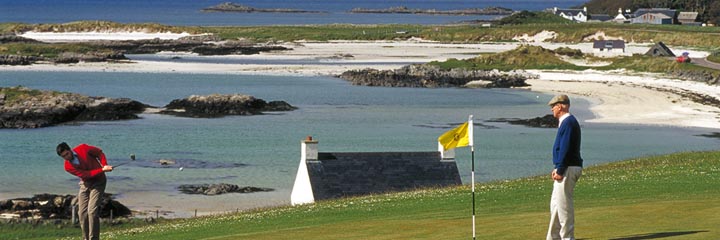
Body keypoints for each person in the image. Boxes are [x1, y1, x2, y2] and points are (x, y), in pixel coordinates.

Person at [57, 142, 113, 240]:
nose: (66, 157)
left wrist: (104, 165)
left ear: (70, 149)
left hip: (99, 182)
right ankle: (85, 238)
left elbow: (99, 153)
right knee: (82, 213)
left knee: (92, 211)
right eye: (63, 156)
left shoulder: (83, 148)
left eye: (67, 154)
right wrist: (102, 170)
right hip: (85, 183)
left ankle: (93, 238)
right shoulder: (67, 167)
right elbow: (86, 175)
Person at [546, 95, 583, 240]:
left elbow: (565, 148)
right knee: (555, 205)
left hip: (568, 168)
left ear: (561, 106)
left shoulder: (568, 122)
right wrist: (558, 167)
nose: (552, 109)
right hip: (565, 167)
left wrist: (560, 169)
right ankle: (553, 237)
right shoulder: (566, 122)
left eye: (553, 106)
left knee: (564, 207)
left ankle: (567, 237)